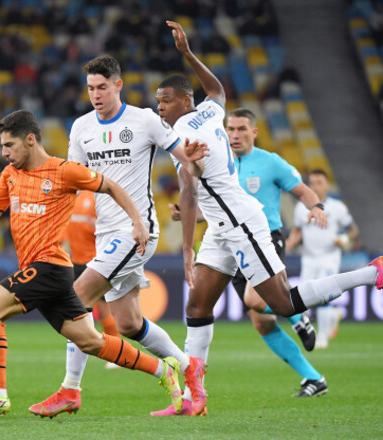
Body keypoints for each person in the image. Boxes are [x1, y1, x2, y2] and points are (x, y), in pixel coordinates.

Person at [154, 21, 382, 415]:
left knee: (284, 305)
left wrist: (187, 248)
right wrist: (188, 54)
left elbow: (189, 190)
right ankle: (194, 398)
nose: (160, 107)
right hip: (222, 229)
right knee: (197, 307)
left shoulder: (186, 136)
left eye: (166, 101)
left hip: (242, 224)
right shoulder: (207, 112)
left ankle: (371, 272)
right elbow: (217, 90)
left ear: (185, 101)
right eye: (158, 101)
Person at [0, 109, 204, 416]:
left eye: (9, 145)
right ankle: (163, 370)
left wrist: (137, 222)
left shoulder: (64, 171)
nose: (4, 153)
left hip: (50, 266)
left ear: (30, 139)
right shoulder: (10, 175)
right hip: (40, 270)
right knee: (90, 341)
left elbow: (111, 186)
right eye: (2, 146)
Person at [30, 54, 210, 418]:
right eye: (90, 88)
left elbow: (190, 163)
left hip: (136, 230)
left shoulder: (144, 120)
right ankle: (189, 370)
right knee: (128, 323)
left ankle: (70, 390)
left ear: (118, 85)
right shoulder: (81, 127)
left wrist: (195, 168)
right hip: (105, 234)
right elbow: (74, 180)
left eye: (102, 87)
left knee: (76, 297)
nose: (96, 95)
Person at [170, 107, 327, 398]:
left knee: (255, 300)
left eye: (241, 129)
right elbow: (219, 208)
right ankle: (314, 378)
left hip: (265, 236)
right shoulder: (219, 158)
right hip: (230, 240)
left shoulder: (270, 162)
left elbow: (302, 190)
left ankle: (297, 317)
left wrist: (316, 207)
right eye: (230, 129)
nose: (235, 134)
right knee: (262, 322)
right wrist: (189, 215)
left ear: (254, 132)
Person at [287, 169, 360, 349]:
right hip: (308, 258)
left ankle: (322, 337)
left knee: (324, 296)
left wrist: (344, 239)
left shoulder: (337, 207)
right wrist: (287, 245)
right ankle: (330, 318)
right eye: (312, 183)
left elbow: (353, 230)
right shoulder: (300, 208)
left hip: (329, 257)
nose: (315, 187)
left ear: (327, 184)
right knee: (305, 298)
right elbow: (297, 232)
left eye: (319, 182)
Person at [65, 190, 120, 369]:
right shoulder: (73, 197)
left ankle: (115, 352)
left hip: (94, 260)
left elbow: (110, 226)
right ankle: (89, 347)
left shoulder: (96, 197)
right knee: (82, 309)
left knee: (102, 309)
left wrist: (96, 226)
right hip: (76, 260)